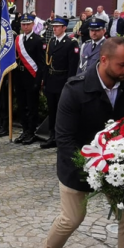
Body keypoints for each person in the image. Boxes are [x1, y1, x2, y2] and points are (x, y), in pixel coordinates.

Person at [39, 37, 124, 248]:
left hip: (121, 166)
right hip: (79, 164)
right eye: (122, 65)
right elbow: (65, 139)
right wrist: (92, 167)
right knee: (72, 218)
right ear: (104, 60)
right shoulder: (75, 89)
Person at [41, 16, 80, 149]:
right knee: (52, 110)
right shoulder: (52, 42)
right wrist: (44, 81)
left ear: (64, 28)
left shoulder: (71, 43)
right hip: (52, 80)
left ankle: (62, 137)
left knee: (62, 111)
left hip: (63, 80)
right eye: (54, 26)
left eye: (57, 26)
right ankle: (52, 136)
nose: (55, 28)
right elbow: (47, 63)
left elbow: (72, 66)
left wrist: (69, 84)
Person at [13, 14, 47, 144]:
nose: (25, 27)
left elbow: (41, 63)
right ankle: (25, 130)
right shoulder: (18, 39)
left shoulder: (38, 40)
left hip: (32, 78)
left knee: (32, 106)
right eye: (23, 24)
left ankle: (32, 132)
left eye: (28, 24)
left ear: (33, 25)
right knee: (22, 106)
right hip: (20, 77)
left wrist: (38, 81)